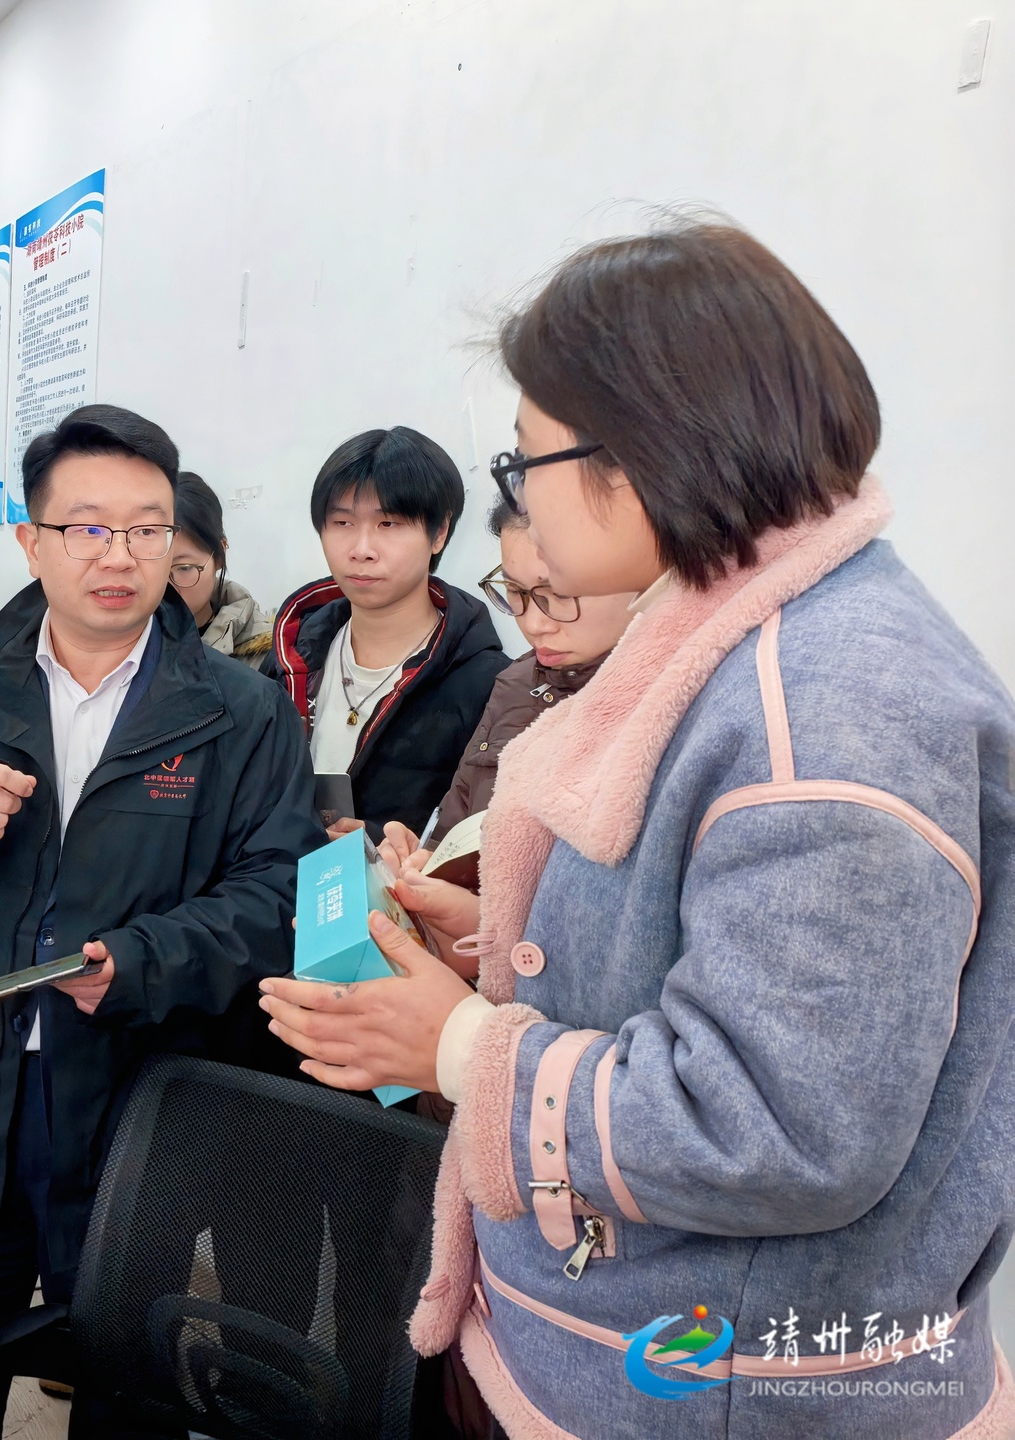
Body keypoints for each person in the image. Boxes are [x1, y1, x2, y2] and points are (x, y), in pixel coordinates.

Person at [259, 223, 1015, 1439]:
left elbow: (778, 1125)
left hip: (709, 1393)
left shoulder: (828, 707)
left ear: (643, 447)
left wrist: (458, 1048)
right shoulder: (737, 636)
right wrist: (499, 940)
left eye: (526, 460)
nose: (520, 498)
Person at [0, 403, 322, 1437]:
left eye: (147, 529)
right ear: (32, 540)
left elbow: (276, 891)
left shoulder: (240, 710)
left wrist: (146, 959)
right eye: (88, 527)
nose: (120, 555)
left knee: (126, 1389)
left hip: (133, 1106)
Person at [265, 428, 507, 838]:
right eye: (342, 522)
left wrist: (379, 849)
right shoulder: (291, 656)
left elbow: (483, 842)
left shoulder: (487, 686)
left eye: (388, 523)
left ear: (439, 532)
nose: (361, 549)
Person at [416, 494, 638, 852]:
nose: (533, 624)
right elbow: (450, 837)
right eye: (515, 591)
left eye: (559, 594)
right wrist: (420, 864)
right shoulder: (515, 681)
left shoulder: (668, 695)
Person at [170, 471, 274, 668]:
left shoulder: (262, 655)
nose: (167, 588)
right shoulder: (122, 644)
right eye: (156, 568)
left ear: (219, 556)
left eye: (184, 568)